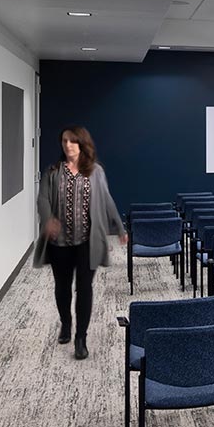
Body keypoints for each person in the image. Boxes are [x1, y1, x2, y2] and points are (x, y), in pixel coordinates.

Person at [35, 125, 125, 358]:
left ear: (82, 144)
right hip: (60, 244)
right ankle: (66, 323)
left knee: (84, 288)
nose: (67, 145)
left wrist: (120, 227)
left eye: (72, 141)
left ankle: (80, 338)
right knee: (62, 287)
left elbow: (107, 200)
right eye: (64, 141)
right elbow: (43, 198)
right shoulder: (53, 171)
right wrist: (48, 220)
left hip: (88, 241)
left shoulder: (95, 172)